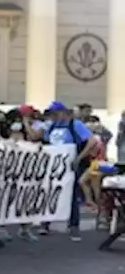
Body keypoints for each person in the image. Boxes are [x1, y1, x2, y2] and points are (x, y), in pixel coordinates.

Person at [42, 101, 94, 241]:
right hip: (53, 165)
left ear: (63, 112)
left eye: (55, 113)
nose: (53, 116)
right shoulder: (53, 125)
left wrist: (79, 157)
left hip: (69, 164)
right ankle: (46, 222)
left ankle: (73, 226)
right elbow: (43, 139)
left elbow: (91, 141)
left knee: (71, 195)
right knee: (50, 192)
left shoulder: (75, 124)